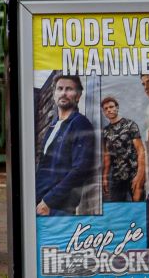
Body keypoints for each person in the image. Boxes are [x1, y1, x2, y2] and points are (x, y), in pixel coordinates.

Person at [32, 75, 96, 216]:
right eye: (60, 89)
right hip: (41, 201)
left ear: (78, 96)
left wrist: (49, 201)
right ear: (54, 94)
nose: (63, 93)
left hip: (57, 207)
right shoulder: (53, 125)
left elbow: (81, 169)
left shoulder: (80, 123)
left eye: (69, 89)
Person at [99, 93, 142, 207]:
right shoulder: (105, 131)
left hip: (133, 172)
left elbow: (140, 151)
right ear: (104, 112)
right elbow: (107, 156)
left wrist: (140, 175)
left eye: (111, 107)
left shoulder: (130, 125)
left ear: (117, 107)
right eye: (106, 109)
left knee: (139, 205)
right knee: (116, 208)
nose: (109, 110)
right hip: (117, 176)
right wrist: (105, 178)